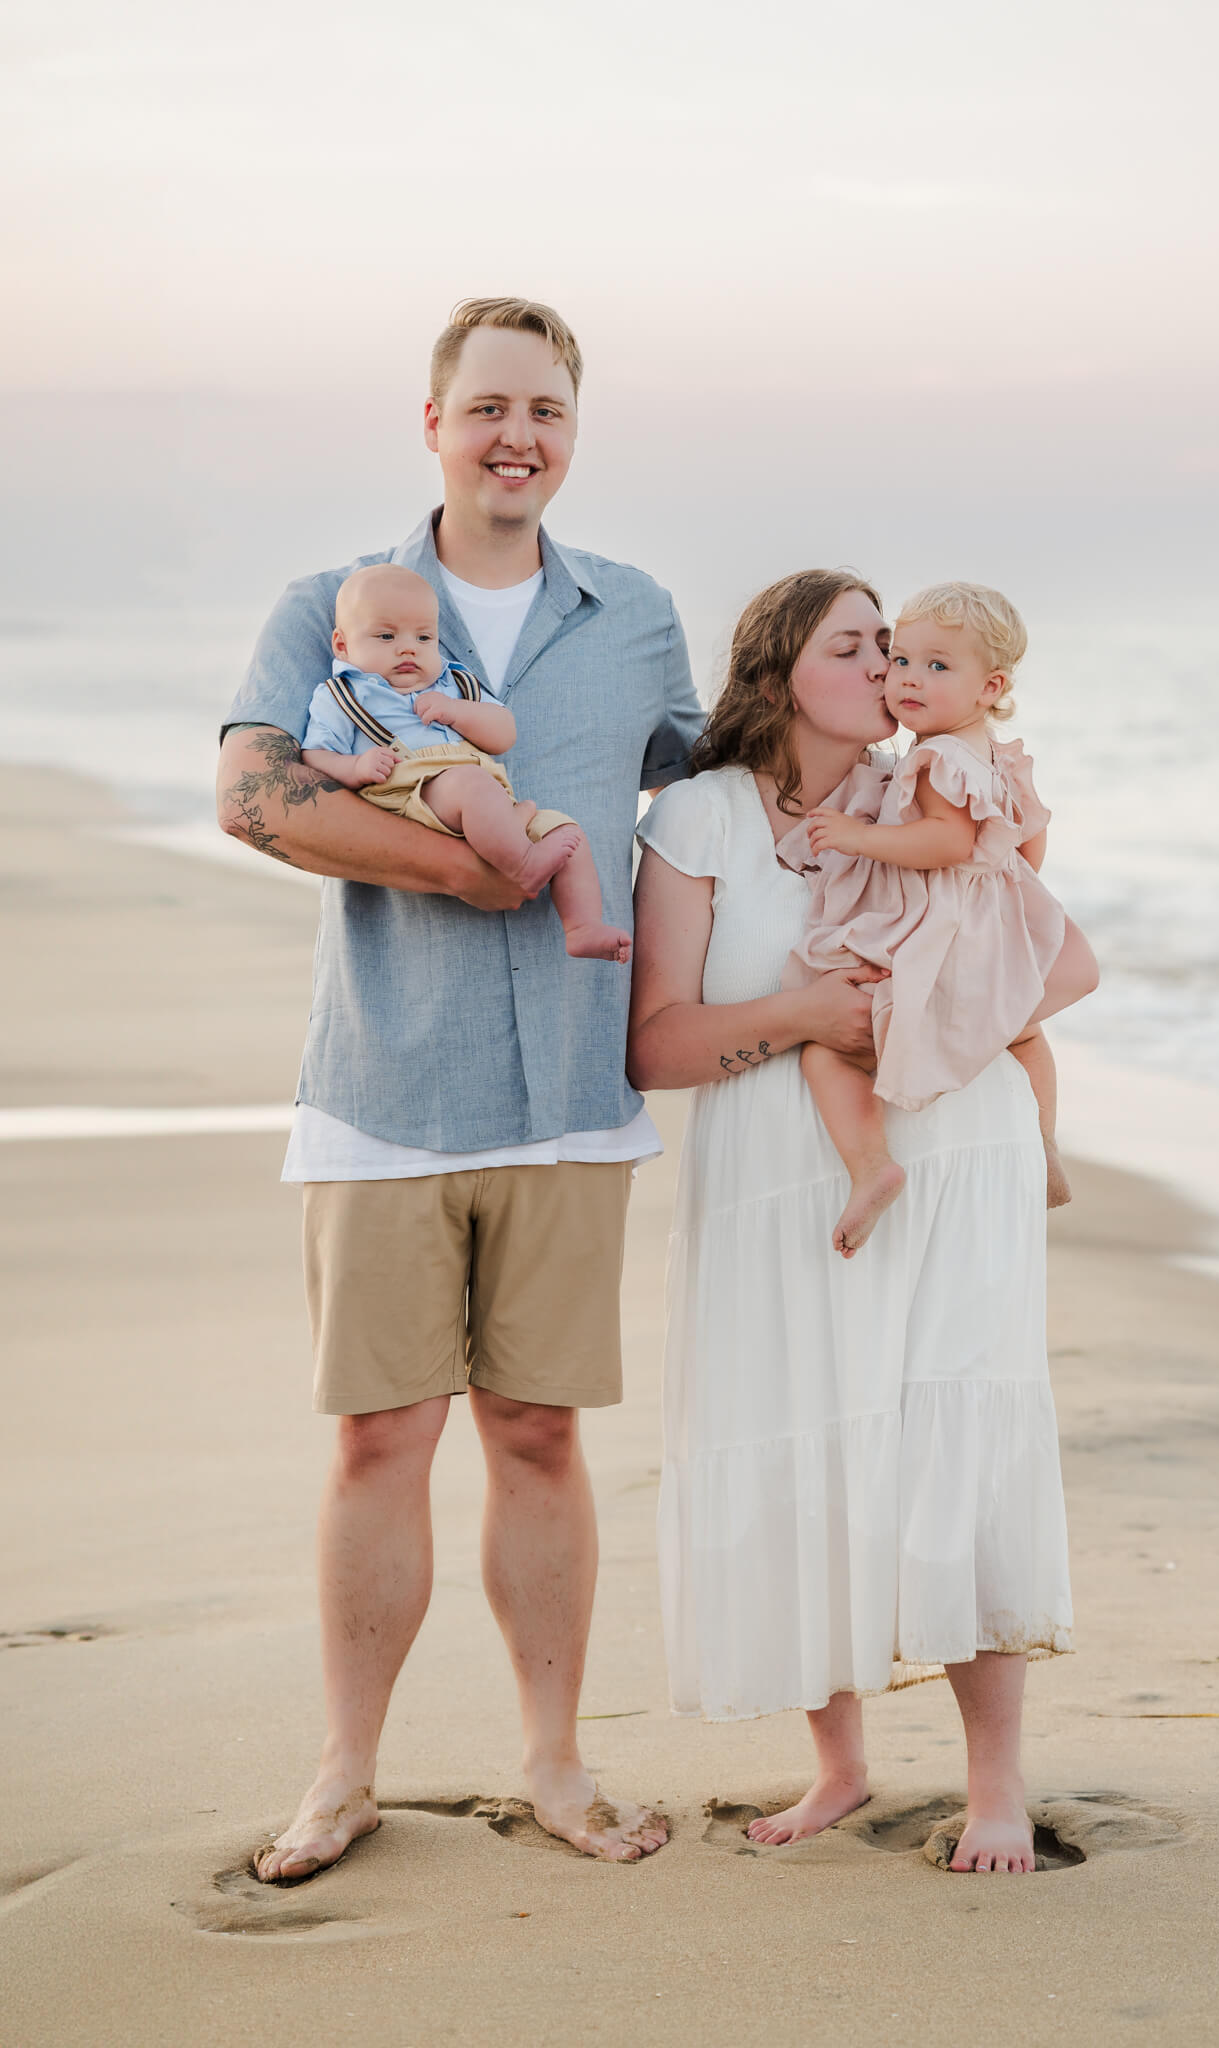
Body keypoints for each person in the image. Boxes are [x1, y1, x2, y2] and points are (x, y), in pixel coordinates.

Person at [216, 295, 701, 1876]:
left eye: (546, 411)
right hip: (383, 1085)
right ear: (432, 424)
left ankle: (554, 1765)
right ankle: (345, 1772)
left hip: (570, 1091)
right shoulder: (332, 605)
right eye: (489, 405)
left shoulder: (629, 615)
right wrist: (465, 874)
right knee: (375, 1441)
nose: (517, 435)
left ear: (571, 435)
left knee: (541, 1437)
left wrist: (936, 785)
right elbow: (253, 794)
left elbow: (721, 799)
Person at [628, 569, 1072, 1874]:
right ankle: (839, 1768)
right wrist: (807, 1019)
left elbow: (1013, 940)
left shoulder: (932, 780)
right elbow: (654, 1043)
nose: (886, 669)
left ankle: (994, 1786)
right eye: (856, 646)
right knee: (793, 1442)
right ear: (778, 674)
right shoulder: (697, 818)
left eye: (897, 650)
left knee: (956, 1431)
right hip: (779, 1177)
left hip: (956, 1148)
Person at [783, 580, 1098, 1255]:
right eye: (901, 660)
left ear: (989, 687)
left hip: (945, 926)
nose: (906, 679)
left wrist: (856, 835)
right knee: (1025, 1036)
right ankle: (1040, 1139)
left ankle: (871, 1168)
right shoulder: (992, 753)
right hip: (995, 922)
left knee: (827, 1051)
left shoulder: (932, 759)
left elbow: (947, 844)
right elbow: (1026, 850)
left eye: (936, 666)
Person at [301, 561, 631, 961]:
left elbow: (503, 733)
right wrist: (354, 768)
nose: (408, 648)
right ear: (342, 645)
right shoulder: (342, 696)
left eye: (424, 637)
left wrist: (457, 712)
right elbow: (314, 755)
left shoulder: (455, 683)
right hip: (408, 790)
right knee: (472, 787)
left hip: (480, 794)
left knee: (567, 831)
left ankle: (582, 926)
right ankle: (524, 865)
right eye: (386, 636)